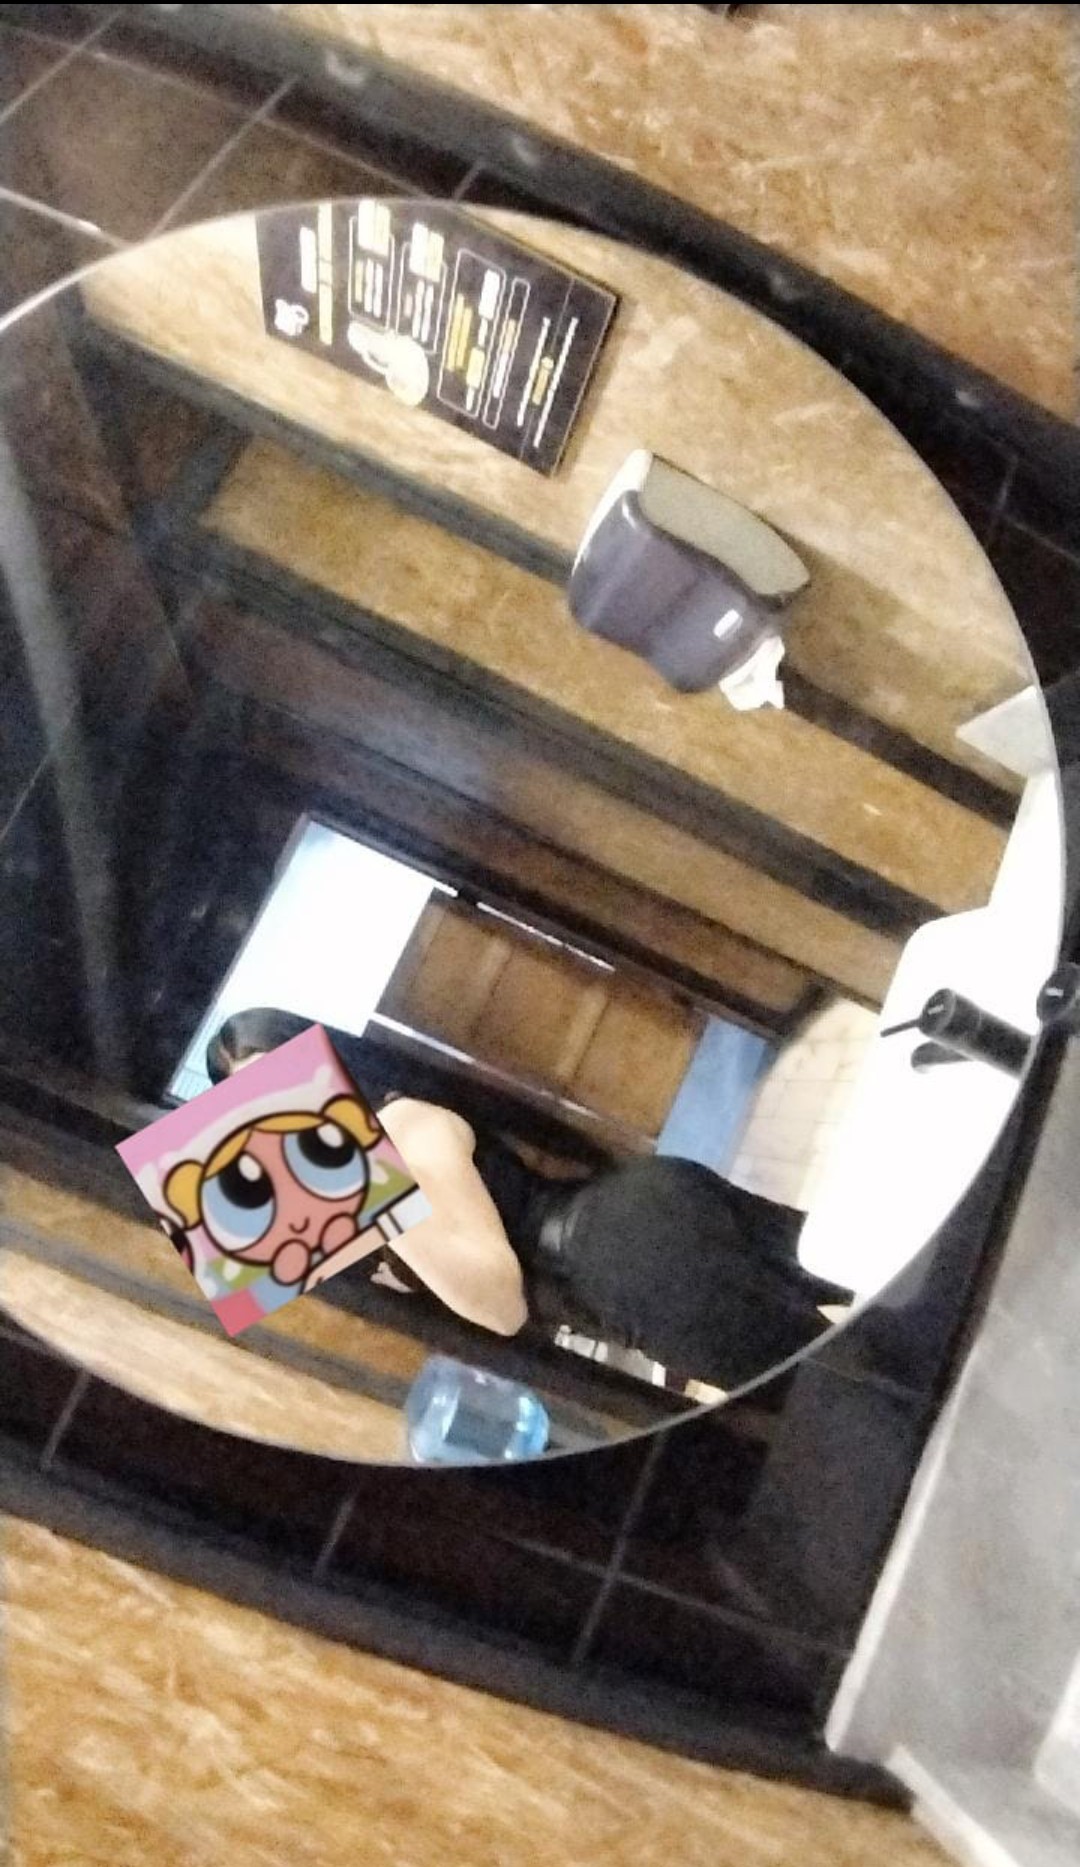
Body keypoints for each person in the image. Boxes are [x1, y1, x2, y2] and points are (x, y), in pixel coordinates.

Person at [209, 1010, 852, 1391]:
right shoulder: (325, 1217)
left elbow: (501, 1307)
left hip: (619, 1255)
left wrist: (371, 1197)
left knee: (839, 1380)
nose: (282, 1118)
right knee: (849, 1280)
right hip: (632, 1230)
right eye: (251, 1109)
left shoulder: (403, 1126)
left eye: (282, 1084)